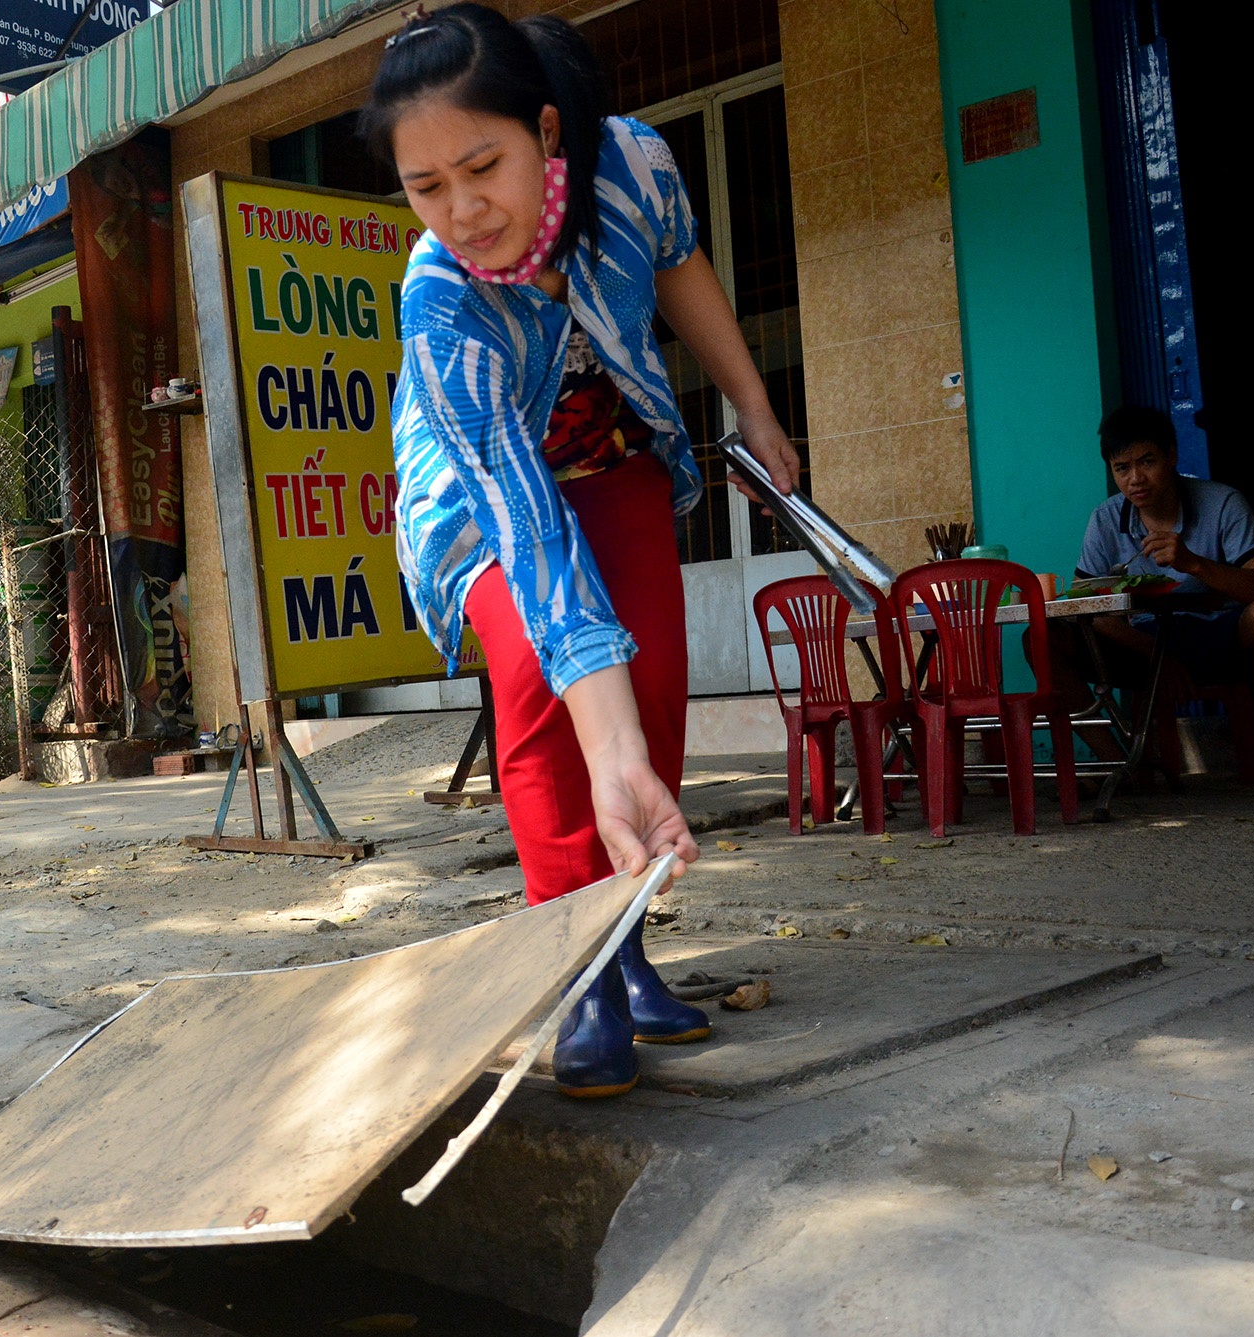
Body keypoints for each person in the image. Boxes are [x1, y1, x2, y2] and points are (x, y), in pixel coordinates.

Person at [364, 5, 802, 1097]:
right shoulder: (441, 307)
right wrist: (601, 746)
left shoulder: (631, 166)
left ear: (547, 134)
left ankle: (629, 942)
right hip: (485, 491)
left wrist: (753, 401)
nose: (463, 210)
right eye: (427, 188)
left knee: (649, 671)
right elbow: (529, 534)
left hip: (612, 445)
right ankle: (580, 973)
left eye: (483, 166)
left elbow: (682, 266)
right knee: (536, 679)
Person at [1067, 405, 1254, 809]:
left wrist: (1194, 563)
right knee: (1045, 641)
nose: (1135, 479)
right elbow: (1085, 606)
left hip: (1217, 634)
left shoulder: (1222, 502)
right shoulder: (1105, 519)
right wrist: (1155, 655)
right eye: (1122, 467)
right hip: (1144, 642)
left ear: (1171, 455)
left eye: (1147, 462)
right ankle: (1116, 761)